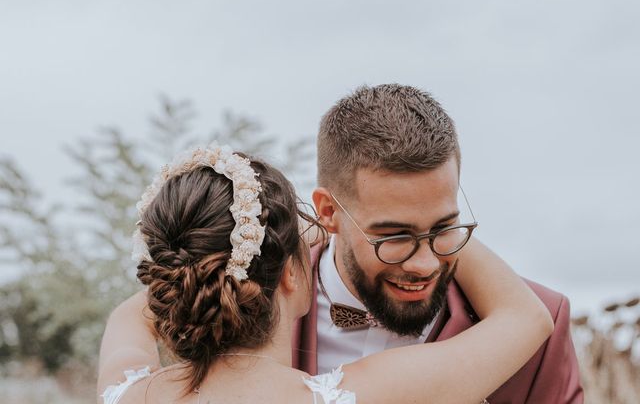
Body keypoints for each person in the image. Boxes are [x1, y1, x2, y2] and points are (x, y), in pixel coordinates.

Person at [97, 143, 553, 404]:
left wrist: (267, 248)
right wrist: (430, 229)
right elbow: (525, 318)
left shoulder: (125, 392)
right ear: (291, 276)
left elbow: (132, 312)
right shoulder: (354, 396)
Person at [295, 84, 584, 403]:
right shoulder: (251, 300)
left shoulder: (542, 319)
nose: (425, 265)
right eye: (395, 235)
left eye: (443, 228)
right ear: (328, 211)